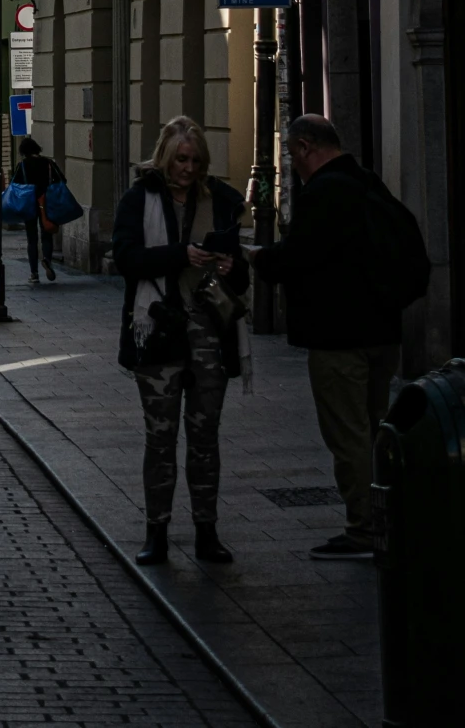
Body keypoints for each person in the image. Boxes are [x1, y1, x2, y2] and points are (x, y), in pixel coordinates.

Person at [251, 112, 427, 559]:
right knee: (376, 429)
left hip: (339, 338)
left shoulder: (324, 193)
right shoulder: (367, 183)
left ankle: (365, 530)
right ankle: (389, 518)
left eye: (292, 156)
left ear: (307, 147)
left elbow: (300, 256)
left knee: (349, 436)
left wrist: (259, 259)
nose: (294, 166)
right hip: (382, 334)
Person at [112, 115, 248, 567]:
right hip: (159, 333)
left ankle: (207, 531)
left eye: (196, 160)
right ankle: (158, 532)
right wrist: (179, 255)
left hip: (210, 332)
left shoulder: (222, 201)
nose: (188, 169)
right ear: (166, 158)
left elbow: (242, 273)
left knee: (205, 436)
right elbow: (127, 259)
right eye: (181, 160)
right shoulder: (139, 199)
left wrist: (230, 267)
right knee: (161, 438)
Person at [13, 135, 63, 285]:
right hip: (46, 202)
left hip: (29, 204)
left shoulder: (22, 166)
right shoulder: (48, 163)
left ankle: (34, 273)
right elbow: (61, 179)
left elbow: (15, 184)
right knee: (46, 233)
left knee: (32, 238)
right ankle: (47, 259)